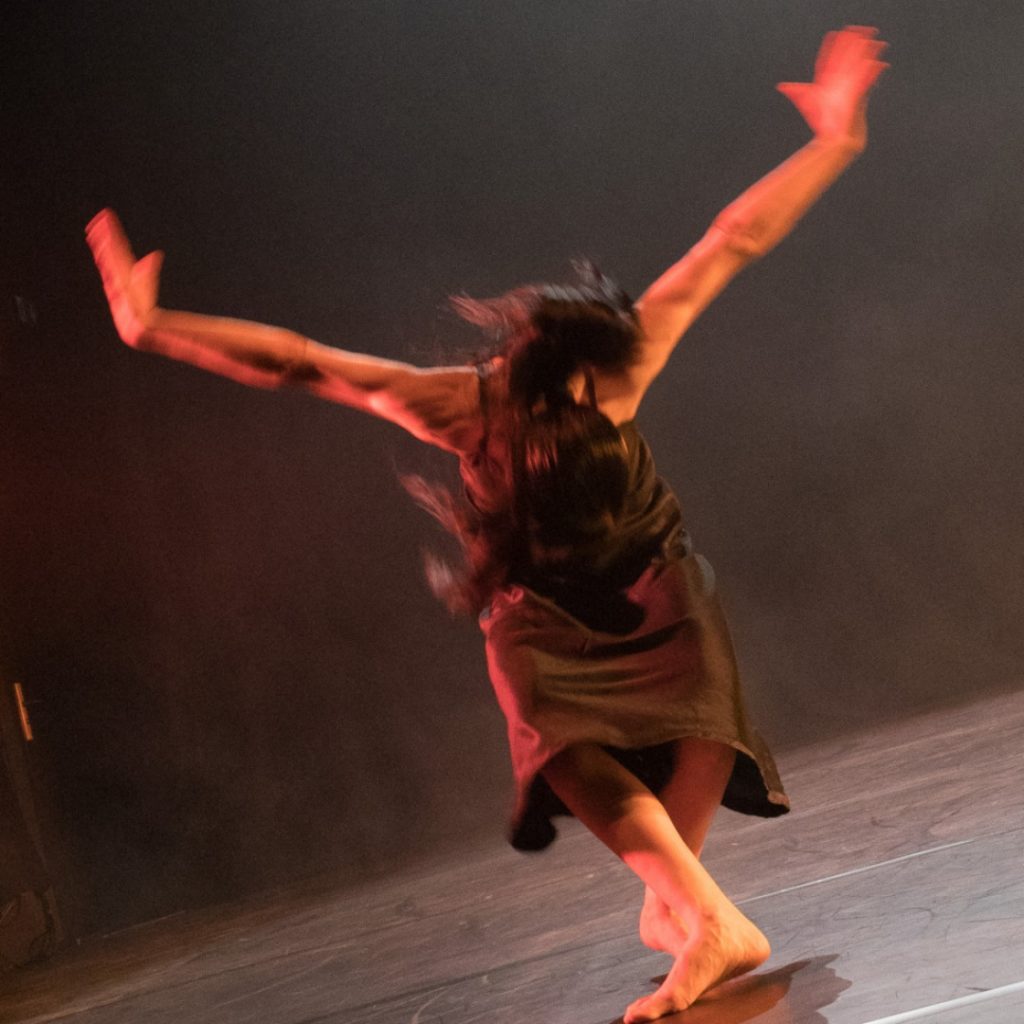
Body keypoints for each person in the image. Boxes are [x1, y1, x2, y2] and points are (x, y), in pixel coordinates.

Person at [86, 26, 886, 1022]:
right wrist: (153, 327)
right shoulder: (492, 398)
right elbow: (296, 360)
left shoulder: (587, 371)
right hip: (542, 609)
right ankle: (700, 912)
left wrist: (833, 141)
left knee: (703, 713)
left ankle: (688, 905)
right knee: (559, 733)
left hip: (652, 581)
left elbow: (733, 239)